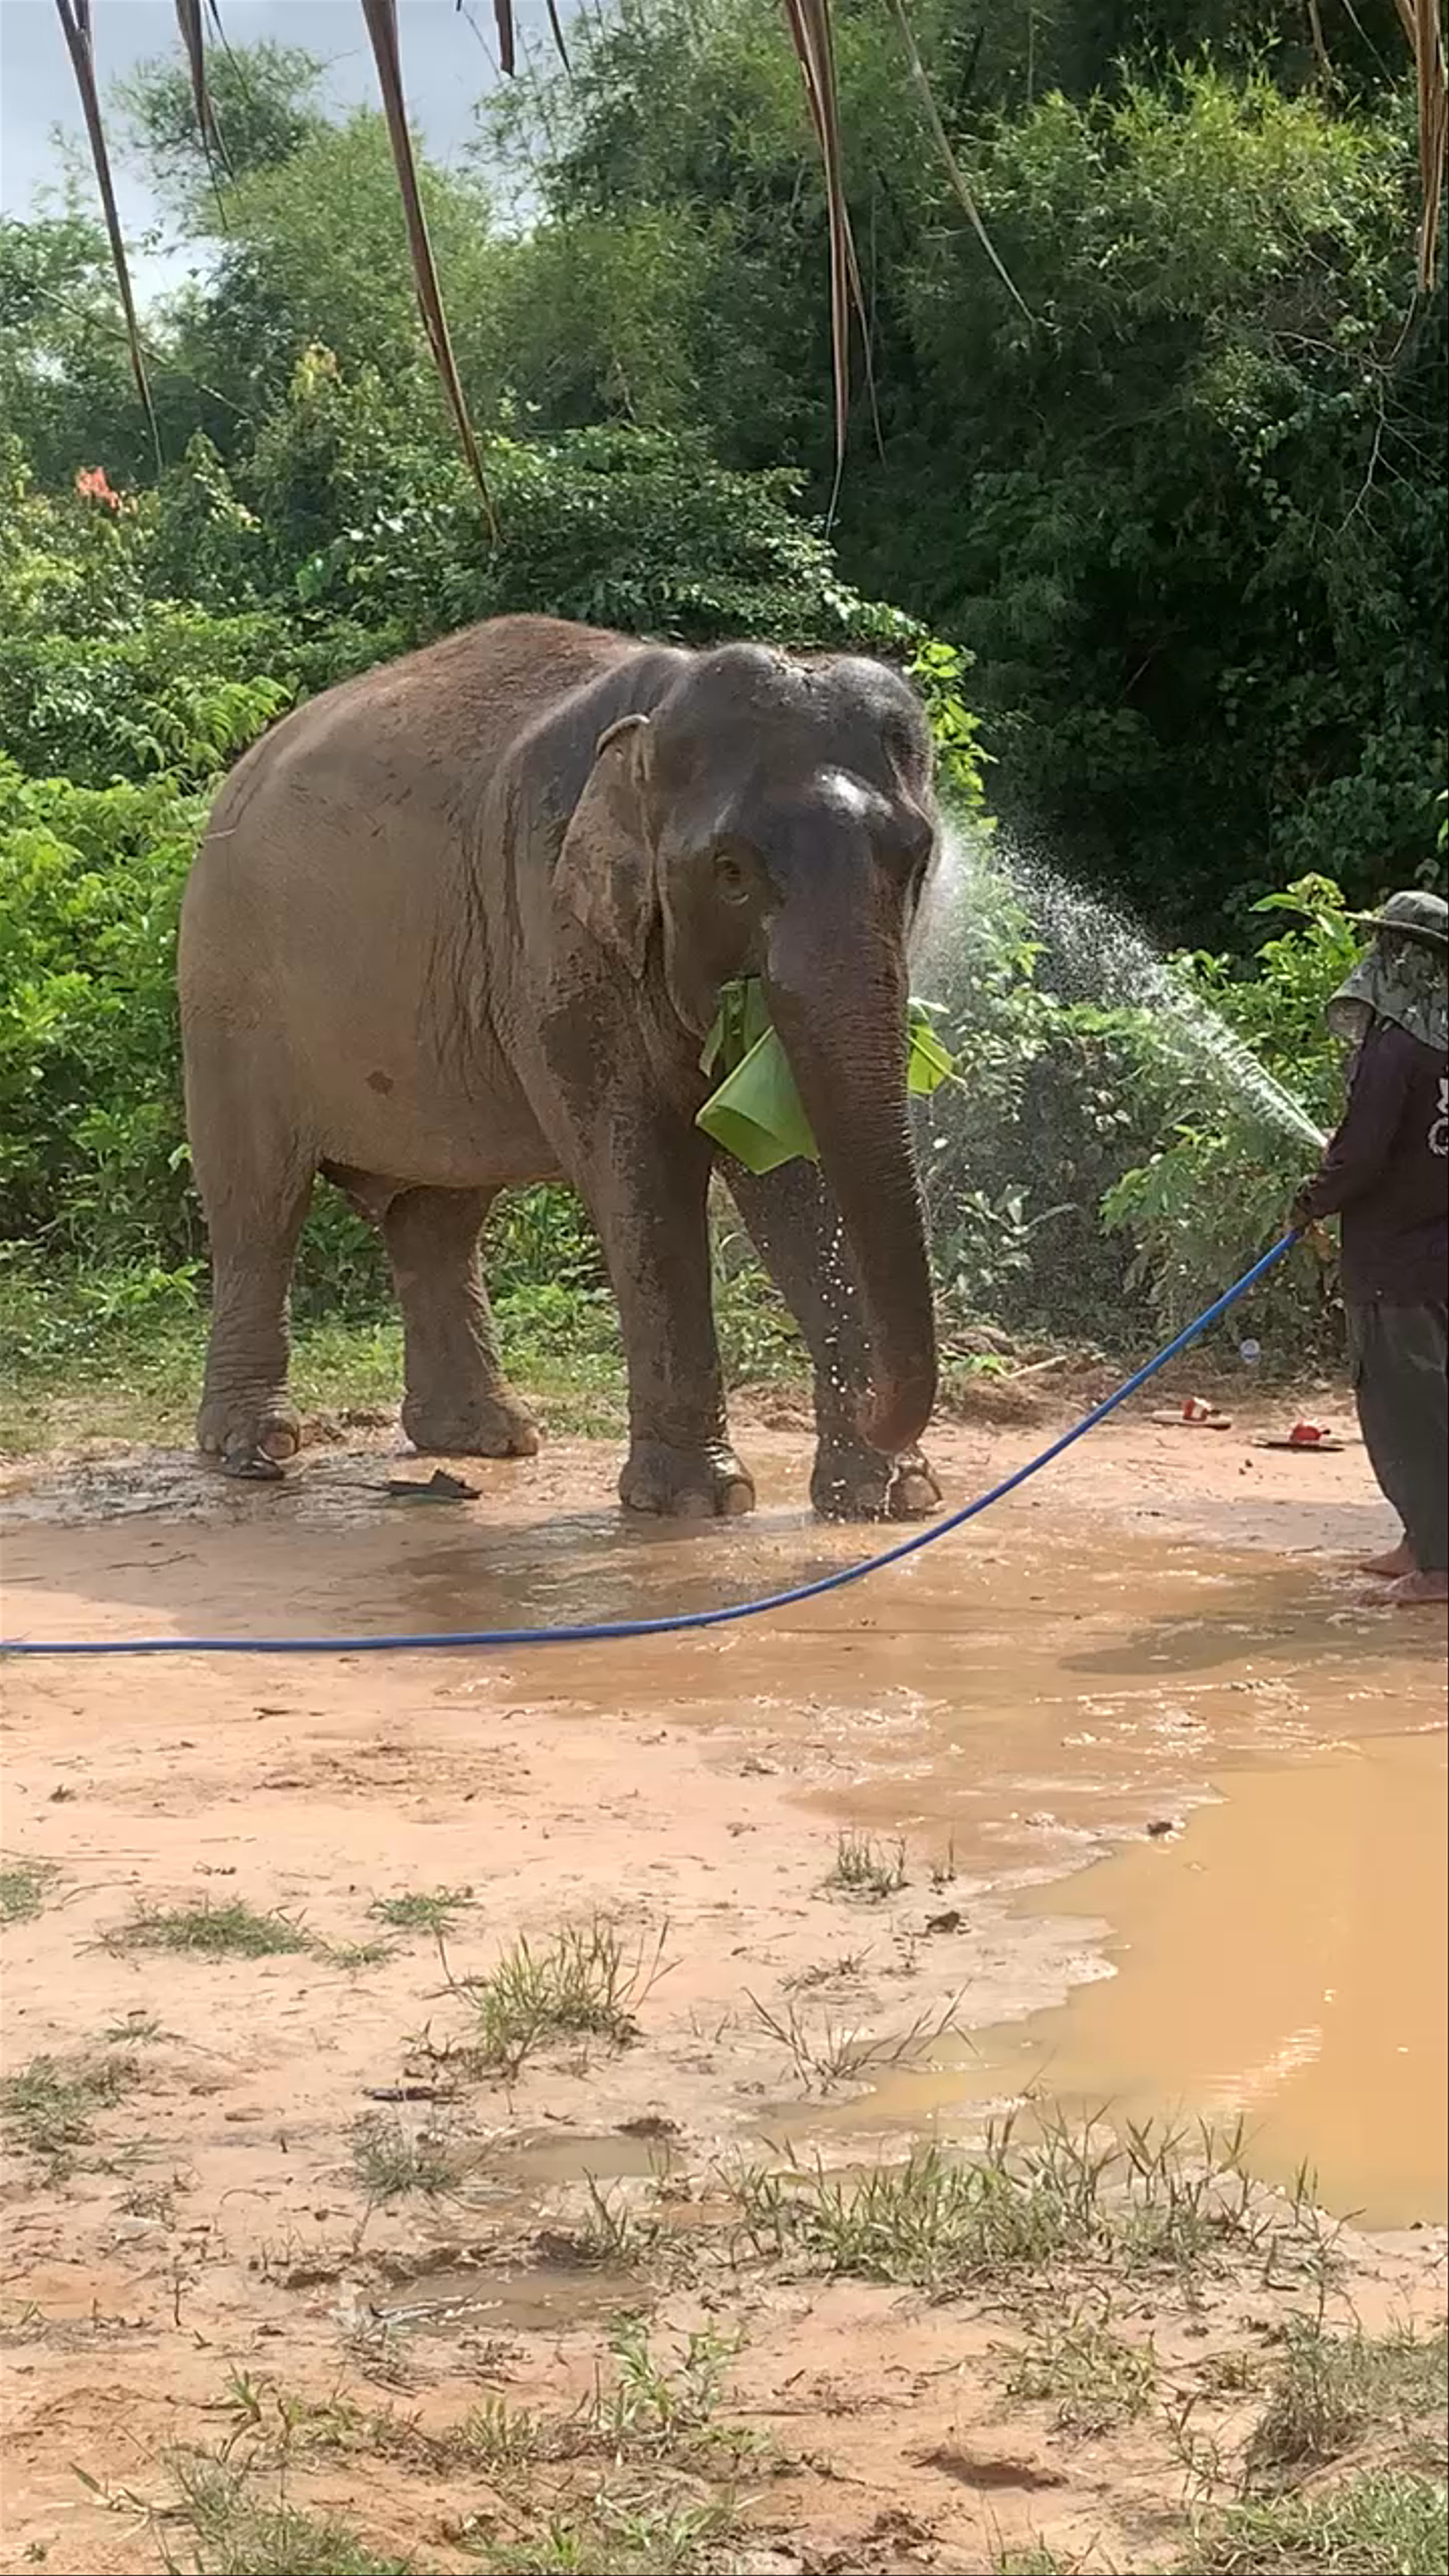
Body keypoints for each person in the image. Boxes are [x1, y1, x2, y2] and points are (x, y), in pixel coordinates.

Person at [1291, 890, 1448, 1606]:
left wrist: (1310, 1200)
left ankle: (1439, 1566)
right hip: (1436, 1261)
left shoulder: (1395, 1048)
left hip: (1394, 1270)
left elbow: (1360, 1156)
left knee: (1407, 1416)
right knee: (1432, 1406)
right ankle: (1423, 1542)